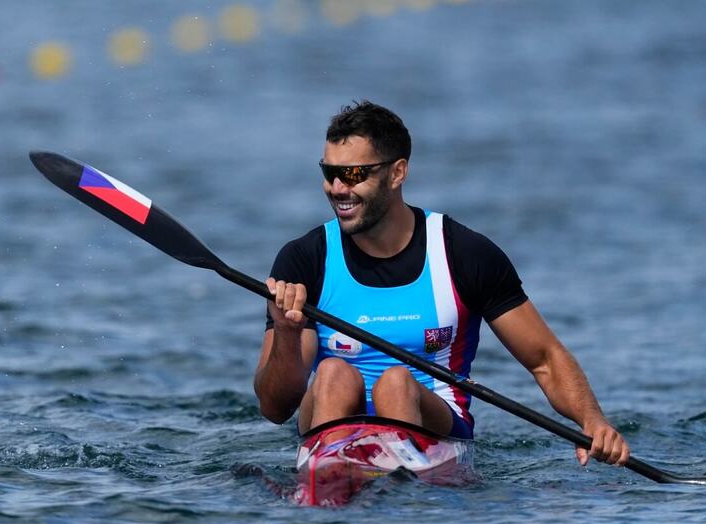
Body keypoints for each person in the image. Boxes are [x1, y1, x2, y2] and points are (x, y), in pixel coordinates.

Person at [253, 101, 629, 467]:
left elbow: (545, 359)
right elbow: (275, 409)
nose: (336, 188)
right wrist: (287, 332)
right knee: (334, 374)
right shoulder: (304, 259)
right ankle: (332, 480)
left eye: (353, 175)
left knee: (396, 383)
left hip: (433, 423)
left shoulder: (463, 254)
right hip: (332, 417)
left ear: (397, 173)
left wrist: (592, 422)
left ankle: (402, 486)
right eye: (329, 172)